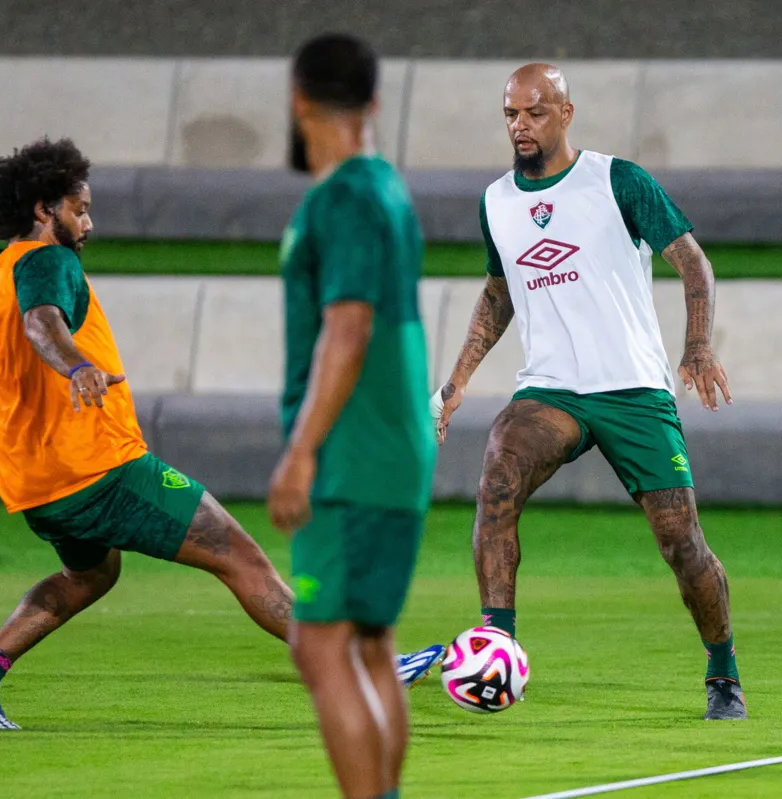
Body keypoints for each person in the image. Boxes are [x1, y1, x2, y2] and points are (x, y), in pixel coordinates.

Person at [0, 137, 299, 730]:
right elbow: (42, 323)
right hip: (100, 471)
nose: (88, 223)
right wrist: (77, 366)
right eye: (79, 209)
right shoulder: (50, 262)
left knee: (90, 575)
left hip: (39, 490)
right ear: (44, 209)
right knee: (239, 556)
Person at [403, 63, 746, 721]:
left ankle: (723, 671)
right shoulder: (497, 201)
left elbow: (694, 264)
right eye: (511, 114)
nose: (521, 125)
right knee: (498, 472)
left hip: (633, 389)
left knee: (681, 542)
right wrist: (458, 380)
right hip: (552, 390)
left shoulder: (619, 181)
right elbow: (499, 292)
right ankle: (496, 642)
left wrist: (698, 345)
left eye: (534, 112)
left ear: (565, 113)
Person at [268, 34, 439, 799]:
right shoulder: (387, 191)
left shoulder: (339, 199)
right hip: (395, 445)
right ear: (373, 102)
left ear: (298, 98)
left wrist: (302, 449)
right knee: (371, 644)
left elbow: (348, 326)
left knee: (319, 645)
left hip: (351, 451)